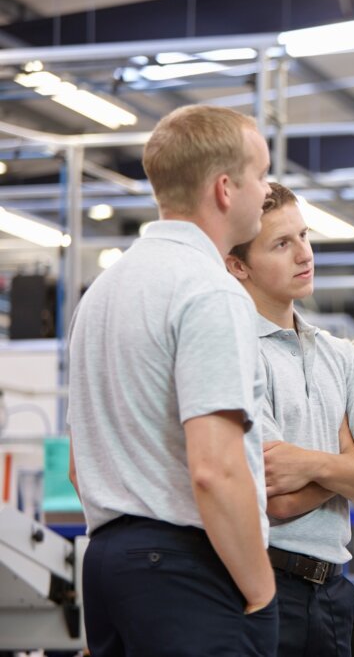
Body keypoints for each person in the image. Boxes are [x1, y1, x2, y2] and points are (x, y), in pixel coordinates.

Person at [66, 105, 277, 656]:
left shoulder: (104, 292)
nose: (268, 189)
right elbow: (213, 468)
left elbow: (77, 461)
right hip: (187, 570)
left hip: (108, 565)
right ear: (225, 189)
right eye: (261, 174)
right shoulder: (209, 291)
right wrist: (261, 588)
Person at [226, 182, 354, 657]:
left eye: (303, 236)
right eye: (282, 244)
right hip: (267, 587)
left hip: (335, 592)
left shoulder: (340, 356)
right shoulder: (236, 352)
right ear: (237, 265)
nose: (304, 254)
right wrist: (345, 462)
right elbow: (276, 501)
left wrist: (310, 464)